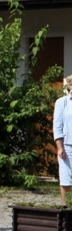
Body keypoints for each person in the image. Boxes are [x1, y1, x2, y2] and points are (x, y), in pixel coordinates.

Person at [53, 73, 72, 207]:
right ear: (70, 85)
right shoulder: (62, 102)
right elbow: (57, 125)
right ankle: (67, 207)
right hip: (68, 145)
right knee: (66, 178)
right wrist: (60, 147)